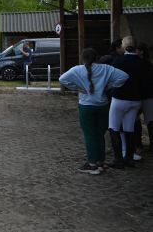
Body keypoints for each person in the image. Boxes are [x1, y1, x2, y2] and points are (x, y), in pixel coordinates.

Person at [59, 48, 128, 174]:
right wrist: (110, 86)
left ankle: (92, 164)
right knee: (100, 135)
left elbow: (62, 79)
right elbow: (124, 76)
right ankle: (100, 162)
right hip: (102, 105)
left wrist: (76, 88)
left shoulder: (77, 70)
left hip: (86, 106)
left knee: (90, 135)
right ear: (97, 58)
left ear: (82, 58)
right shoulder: (106, 69)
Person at [108, 36, 148, 168]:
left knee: (114, 128)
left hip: (120, 99)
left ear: (124, 46)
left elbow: (112, 80)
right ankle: (129, 158)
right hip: (136, 100)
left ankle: (118, 159)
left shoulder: (119, 61)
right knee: (129, 129)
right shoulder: (143, 63)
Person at [136, 42, 153, 151]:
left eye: (137, 50)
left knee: (138, 121)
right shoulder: (148, 64)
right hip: (147, 95)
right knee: (149, 121)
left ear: (141, 51)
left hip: (142, 95)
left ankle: (138, 144)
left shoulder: (141, 64)